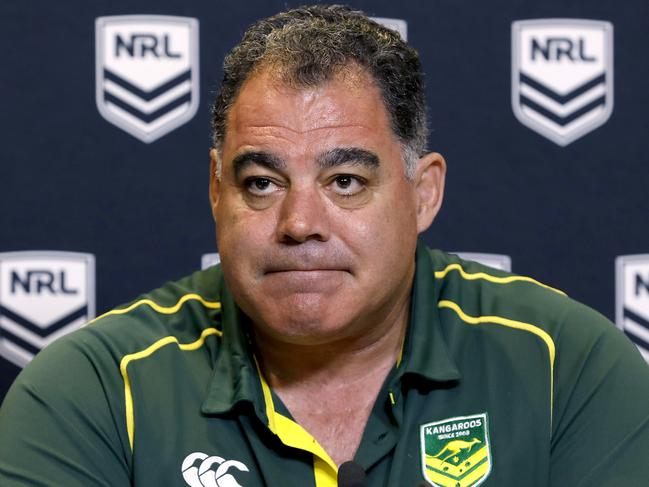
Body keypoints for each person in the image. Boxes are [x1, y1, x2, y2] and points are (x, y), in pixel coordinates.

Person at [1, 5, 648, 487]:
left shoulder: (569, 368)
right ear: (214, 190)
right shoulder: (93, 391)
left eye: (345, 181)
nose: (299, 222)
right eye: (261, 182)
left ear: (422, 193)